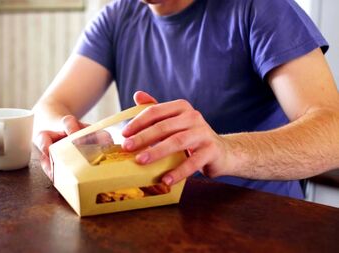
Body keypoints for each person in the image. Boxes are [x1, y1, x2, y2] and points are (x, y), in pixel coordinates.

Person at [32, 0, 339, 199]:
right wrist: (70, 134)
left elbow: (333, 133)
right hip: (152, 215)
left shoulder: (261, 8)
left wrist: (228, 151)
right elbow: (49, 108)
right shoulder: (116, 17)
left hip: (261, 220)